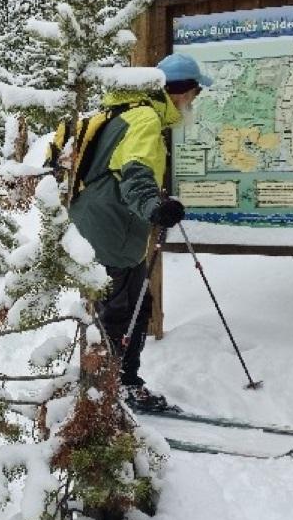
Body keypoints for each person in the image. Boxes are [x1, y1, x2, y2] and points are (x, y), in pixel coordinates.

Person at [52, 52, 209, 414]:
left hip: (95, 221)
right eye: (195, 93)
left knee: (119, 307)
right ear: (179, 91)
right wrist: (152, 207)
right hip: (114, 228)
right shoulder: (145, 119)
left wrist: (152, 201)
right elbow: (135, 171)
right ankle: (117, 388)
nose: (194, 101)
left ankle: (108, 384)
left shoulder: (121, 111)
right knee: (125, 310)